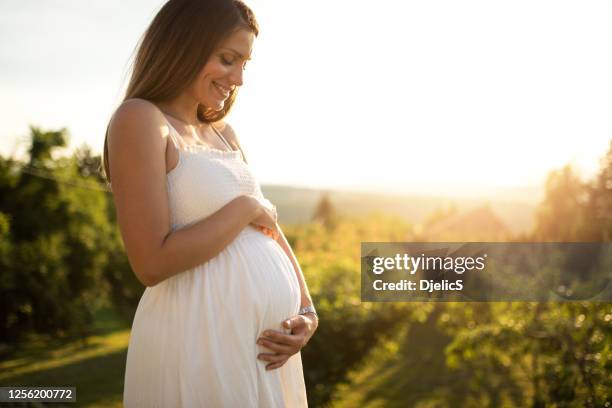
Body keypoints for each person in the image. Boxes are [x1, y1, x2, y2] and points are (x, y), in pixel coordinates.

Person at [102, 0, 318, 406]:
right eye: (227, 59)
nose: (238, 77)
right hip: (199, 342)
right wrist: (243, 209)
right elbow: (150, 262)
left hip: (264, 352)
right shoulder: (140, 119)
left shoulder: (224, 133)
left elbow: (268, 225)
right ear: (184, 45)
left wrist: (308, 311)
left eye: (244, 64)